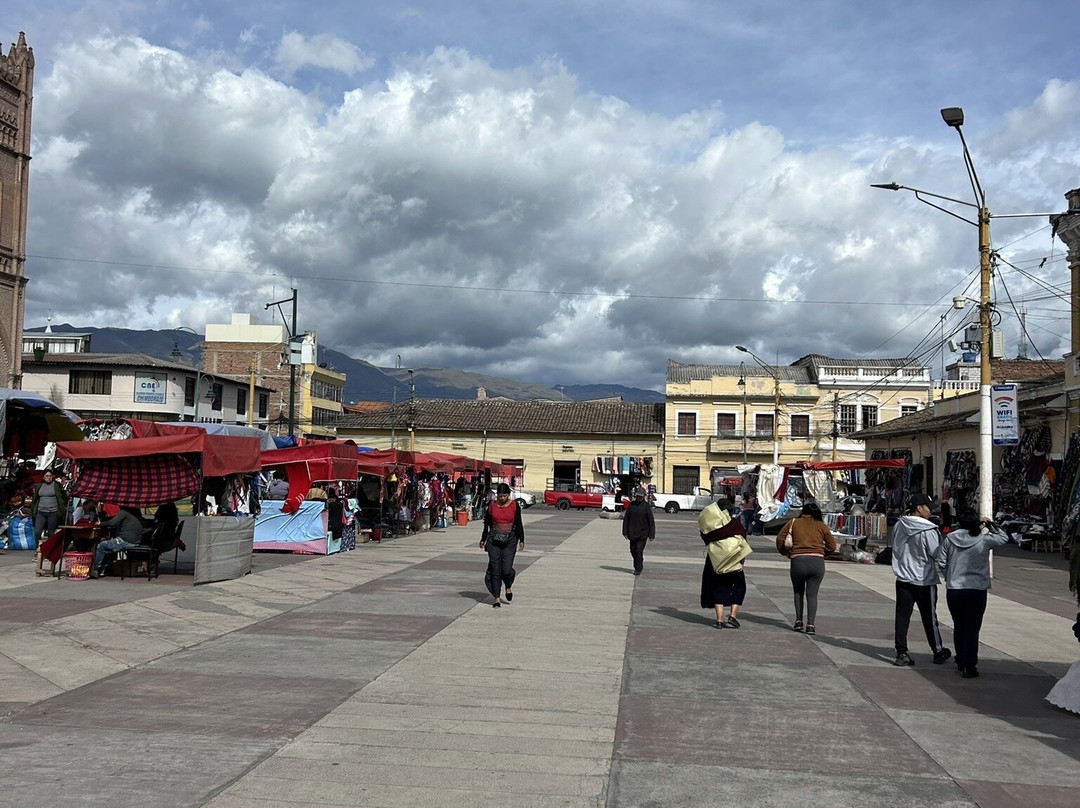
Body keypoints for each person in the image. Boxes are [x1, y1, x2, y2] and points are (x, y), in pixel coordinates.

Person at [934, 510, 1008, 678]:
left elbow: (942, 561)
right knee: (972, 628)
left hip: (955, 589)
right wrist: (990, 525)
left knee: (959, 625)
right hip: (976, 589)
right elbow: (1003, 538)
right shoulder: (984, 539)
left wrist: (949, 576)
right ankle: (969, 665)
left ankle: (960, 659)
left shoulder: (950, 539)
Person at [890, 493, 951, 667]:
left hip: (903, 577)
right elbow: (937, 554)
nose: (930, 511)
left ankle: (901, 652)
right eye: (928, 508)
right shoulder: (928, 529)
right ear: (919, 508)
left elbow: (895, 546)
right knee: (929, 617)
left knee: (902, 616)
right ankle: (938, 650)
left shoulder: (900, 524)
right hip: (924, 580)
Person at [776, 502, 837, 635]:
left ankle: (798, 621)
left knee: (798, 592)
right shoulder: (821, 526)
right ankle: (811, 624)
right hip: (817, 563)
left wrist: (787, 553)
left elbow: (780, 539)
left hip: (798, 561)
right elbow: (832, 546)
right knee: (812, 595)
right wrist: (822, 553)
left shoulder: (793, 523)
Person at [699, 498, 751, 629]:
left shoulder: (710, 526)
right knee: (739, 588)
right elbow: (742, 542)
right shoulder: (735, 524)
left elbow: (704, 537)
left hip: (714, 562)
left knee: (717, 589)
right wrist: (741, 562)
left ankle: (719, 620)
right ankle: (732, 617)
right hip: (734, 561)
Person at [479, 483, 525, 608]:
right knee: (495, 569)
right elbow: (487, 524)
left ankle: (508, 586)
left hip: (510, 540)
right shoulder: (492, 506)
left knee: (506, 569)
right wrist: (483, 539)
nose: (502, 498)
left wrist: (522, 539)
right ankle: (497, 598)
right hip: (494, 539)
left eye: (504, 496)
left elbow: (519, 523)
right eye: (500, 496)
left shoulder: (515, 506)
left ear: (508, 495)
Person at [91, 506, 146, 578]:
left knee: (102, 546)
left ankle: (95, 569)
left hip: (125, 541)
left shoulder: (125, 511)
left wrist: (100, 523)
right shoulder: (136, 511)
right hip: (136, 541)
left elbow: (112, 522)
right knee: (109, 546)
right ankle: (105, 568)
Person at [622, 487, 655, 575]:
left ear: (644, 496)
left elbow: (651, 521)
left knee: (638, 550)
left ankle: (638, 568)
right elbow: (626, 519)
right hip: (632, 533)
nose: (639, 498)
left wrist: (651, 534)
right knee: (633, 551)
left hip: (643, 534)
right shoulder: (631, 505)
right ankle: (639, 561)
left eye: (641, 497)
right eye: (638, 496)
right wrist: (625, 532)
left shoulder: (646, 506)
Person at [31, 469, 68, 544]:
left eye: (50, 476)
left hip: (53, 512)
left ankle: (49, 551)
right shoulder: (39, 486)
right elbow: (35, 498)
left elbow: (63, 497)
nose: (48, 478)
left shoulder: (56, 486)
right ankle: (38, 549)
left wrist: (62, 506)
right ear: (43, 477)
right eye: (46, 476)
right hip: (41, 512)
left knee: (51, 533)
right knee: (37, 531)